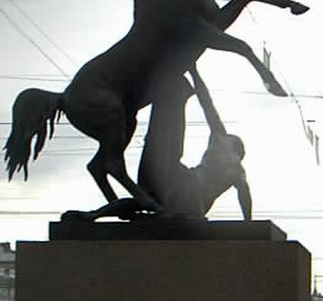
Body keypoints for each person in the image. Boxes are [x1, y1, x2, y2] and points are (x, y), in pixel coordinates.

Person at [62, 66, 252, 221]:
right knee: (145, 200)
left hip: (189, 188)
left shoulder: (222, 141)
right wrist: (249, 223)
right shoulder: (236, 169)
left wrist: (194, 71)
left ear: (237, 148)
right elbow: (244, 194)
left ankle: (94, 215)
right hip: (187, 187)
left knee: (147, 197)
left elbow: (206, 102)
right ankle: (94, 215)